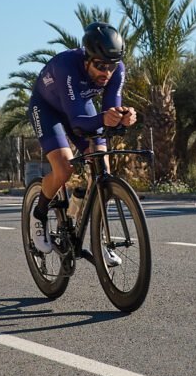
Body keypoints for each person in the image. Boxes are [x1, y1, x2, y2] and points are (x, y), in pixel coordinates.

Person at [26, 21, 138, 255]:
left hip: (79, 107)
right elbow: (77, 120)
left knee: (102, 167)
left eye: (111, 66)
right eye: (100, 66)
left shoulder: (117, 71)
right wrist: (105, 118)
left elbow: (110, 110)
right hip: (48, 109)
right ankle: (39, 215)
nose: (106, 73)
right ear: (87, 58)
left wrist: (124, 116)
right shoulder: (67, 65)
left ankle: (95, 232)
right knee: (64, 168)